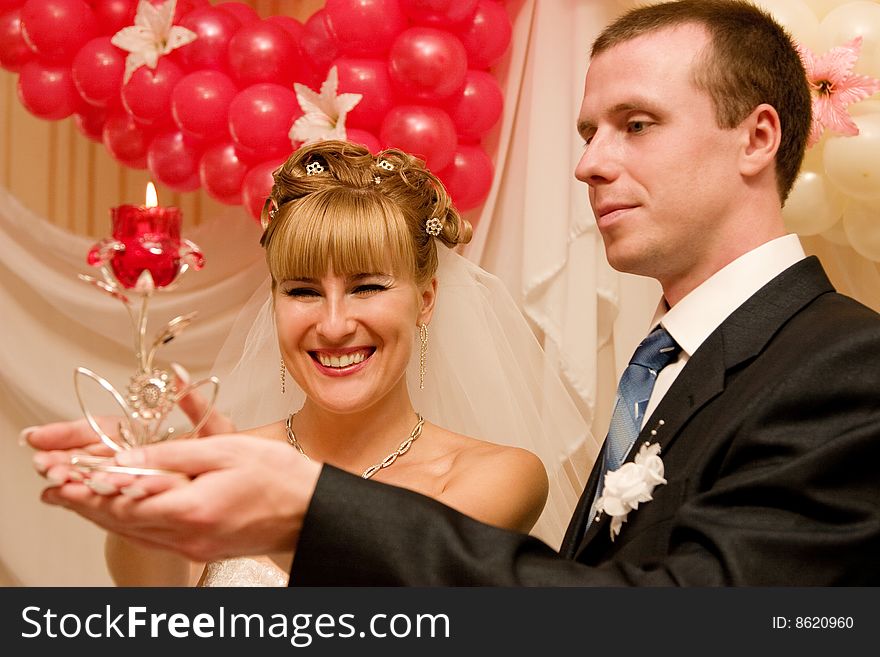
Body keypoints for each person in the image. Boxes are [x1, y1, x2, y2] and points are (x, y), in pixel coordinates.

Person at [29, 0, 880, 585]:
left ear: (757, 137)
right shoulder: (667, 366)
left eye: (636, 123)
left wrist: (306, 507)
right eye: (587, 131)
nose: (588, 161)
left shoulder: (844, 365)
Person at [29, 139, 592, 586]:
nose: (333, 324)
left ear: (425, 301)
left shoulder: (496, 476)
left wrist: (264, 506)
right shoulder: (213, 463)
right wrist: (144, 506)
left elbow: (394, 599)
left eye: (367, 287)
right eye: (302, 292)